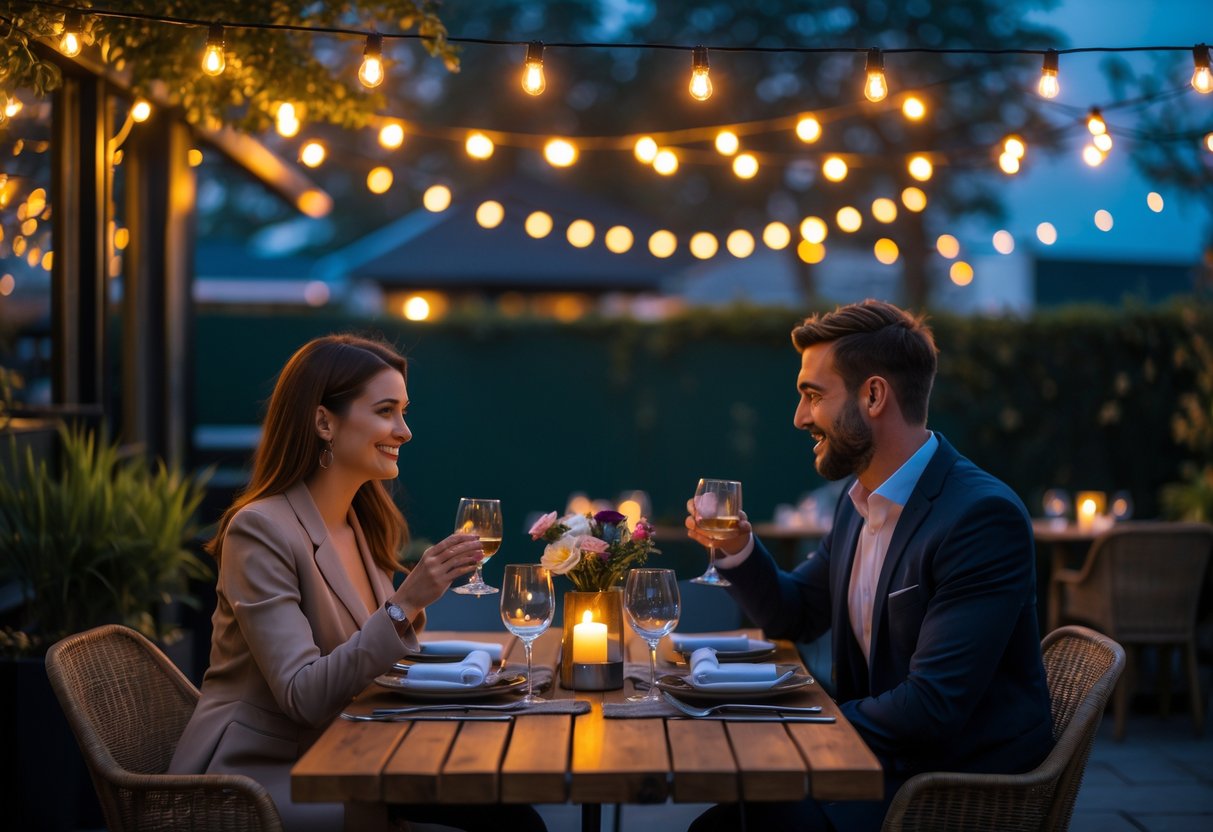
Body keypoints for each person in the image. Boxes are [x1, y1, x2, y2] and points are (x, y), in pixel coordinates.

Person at [686, 300, 1053, 832]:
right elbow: (797, 614)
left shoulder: (979, 518)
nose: (799, 417)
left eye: (813, 395)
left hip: (945, 790)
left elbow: (931, 708)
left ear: (874, 395)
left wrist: (794, 722)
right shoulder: (859, 502)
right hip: (873, 762)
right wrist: (739, 549)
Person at [168, 334, 546, 832]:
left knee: (513, 816)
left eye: (404, 411)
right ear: (324, 421)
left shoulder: (359, 522)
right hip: (262, 777)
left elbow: (374, 663)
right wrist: (405, 603)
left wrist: (481, 676)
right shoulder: (259, 530)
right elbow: (303, 695)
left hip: (353, 751)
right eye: (386, 411)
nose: (404, 431)